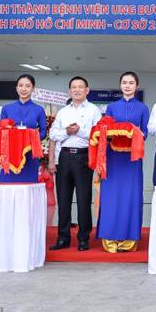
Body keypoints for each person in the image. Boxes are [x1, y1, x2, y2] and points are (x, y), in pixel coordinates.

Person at [96, 71, 150, 253]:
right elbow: (106, 128)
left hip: (132, 160)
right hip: (113, 158)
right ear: (120, 86)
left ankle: (129, 240)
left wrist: (132, 132)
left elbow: (145, 134)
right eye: (124, 83)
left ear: (136, 85)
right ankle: (110, 238)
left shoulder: (143, 109)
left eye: (131, 83)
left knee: (131, 196)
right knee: (111, 196)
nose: (127, 86)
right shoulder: (111, 107)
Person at [49, 76, 102, 252]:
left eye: (81, 87)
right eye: (74, 87)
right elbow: (54, 135)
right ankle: (63, 238)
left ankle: (83, 238)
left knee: (83, 199)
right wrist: (67, 131)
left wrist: (79, 131)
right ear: (69, 91)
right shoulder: (63, 112)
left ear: (87, 90)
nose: (77, 90)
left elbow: (98, 136)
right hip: (64, 158)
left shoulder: (94, 110)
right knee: (63, 200)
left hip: (83, 157)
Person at [0, 74, 47, 183]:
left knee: (28, 186)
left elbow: (43, 132)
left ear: (33, 89)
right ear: (16, 88)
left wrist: (29, 138)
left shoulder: (38, 109)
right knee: (8, 187)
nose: (23, 89)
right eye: (20, 86)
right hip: (10, 154)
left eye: (27, 86)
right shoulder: (7, 108)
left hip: (30, 154)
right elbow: (1, 130)